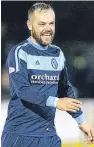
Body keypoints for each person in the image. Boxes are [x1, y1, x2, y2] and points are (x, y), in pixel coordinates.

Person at [1, 2, 94, 147]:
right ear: (30, 25)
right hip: (20, 136)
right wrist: (56, 102)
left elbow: (65, 90)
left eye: (51, 23)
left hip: (49, 136)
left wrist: (82, 121)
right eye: (42, 24)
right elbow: (23, 91)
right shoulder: (20, 52)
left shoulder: (57, 53)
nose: (48, 28)